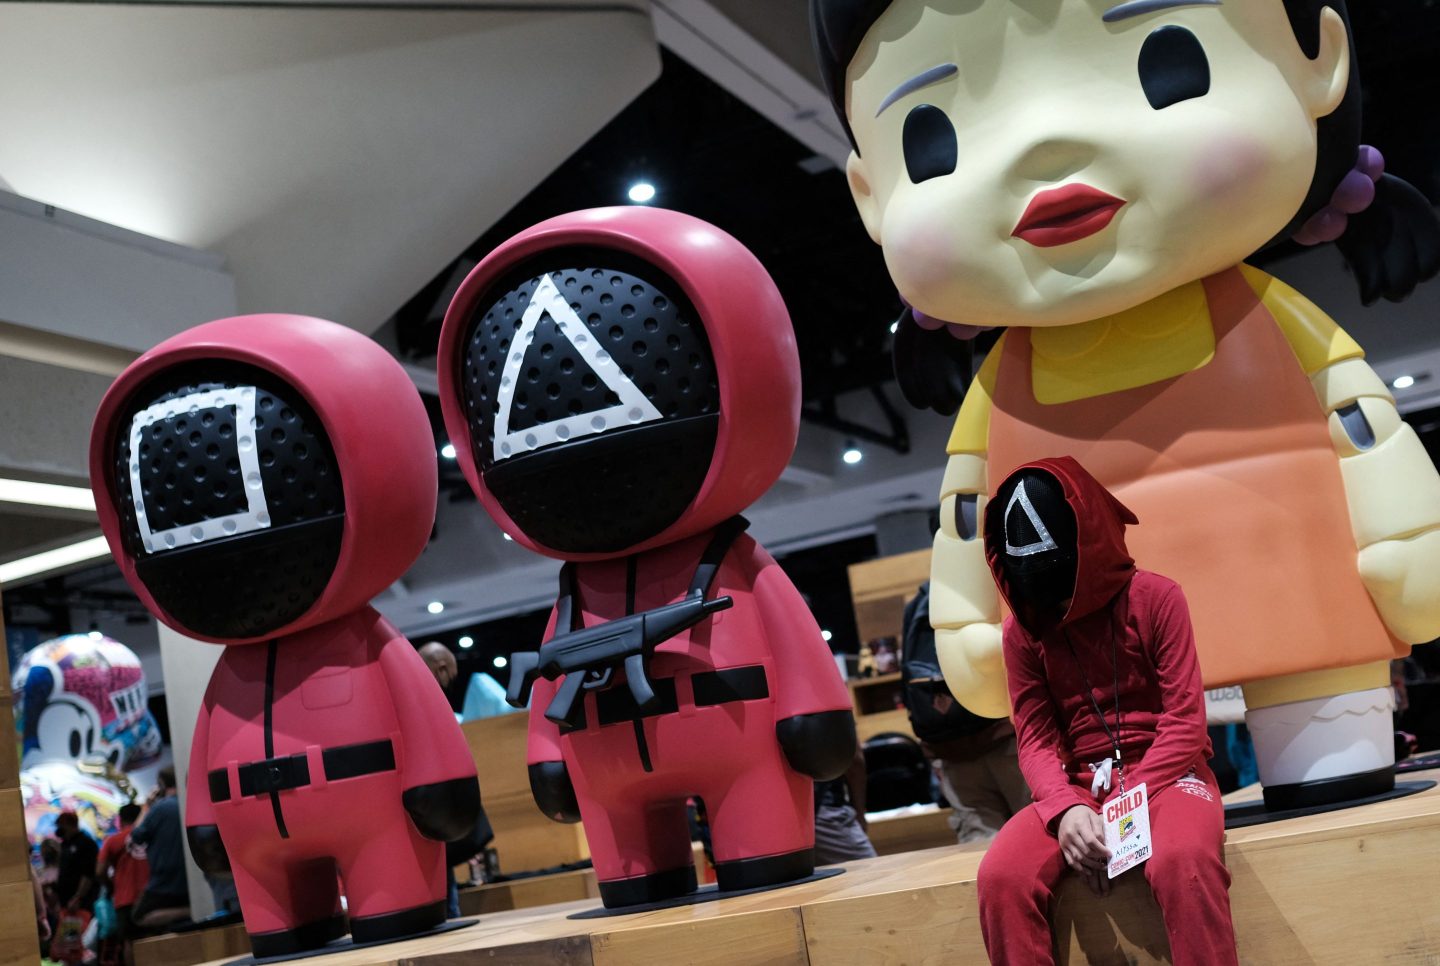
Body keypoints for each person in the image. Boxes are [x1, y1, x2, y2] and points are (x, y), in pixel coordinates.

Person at [975, 458, 1235, 965]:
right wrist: (1065, 808)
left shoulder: (1157, 598)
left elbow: (1184, 725)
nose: (1053, 595)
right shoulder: (1022, 631)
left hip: (1166, 774)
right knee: (1001, 878)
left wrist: (1123, 809)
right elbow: (1034, 738)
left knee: (1185, 861)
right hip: (1077, 788)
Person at [901, 582, 1029, 845]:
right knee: (1040, 836)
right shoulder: (988, 582)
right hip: (1008, 739)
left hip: (953, 753)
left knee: (980, 848)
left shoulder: (920, 602)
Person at [418, 640, 493, 917]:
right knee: (441, 876)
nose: (452, 680)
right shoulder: (428, 702)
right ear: (440, 668)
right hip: (430, 802)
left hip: (415, 805)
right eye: (451, 673)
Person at [129, 767, 190, 929]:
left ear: (161, 785)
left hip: (164, 881)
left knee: (139, 916)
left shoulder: (160, 808)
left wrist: (146, 807)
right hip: (187, 877)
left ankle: (190, 912)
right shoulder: (188, 804)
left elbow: (136, 836)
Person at [97, 803, 149, 962]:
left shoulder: (112, 841)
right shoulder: (149, 835)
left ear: (120, 819)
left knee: (130, 942)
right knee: (153, 937)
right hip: (150, 894)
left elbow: (99, 871)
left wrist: (110, 885)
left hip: (124, 898)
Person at [812, 745, 877, 865]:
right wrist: (860, 813)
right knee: (873, 874)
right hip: (824, 809)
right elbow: (855, 761)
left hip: (783, 814)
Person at [52, 811, 99, 914]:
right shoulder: (65, 844)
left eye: (61, 826)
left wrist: (78, 897)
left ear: (70, 825)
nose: (59, 830)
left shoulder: (86, 843)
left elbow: (88, 874)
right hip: (65, 901)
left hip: (81, 902)